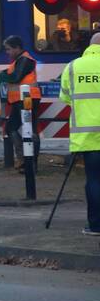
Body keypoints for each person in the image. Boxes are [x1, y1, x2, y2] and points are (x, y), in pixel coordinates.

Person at [58, 33, 100, 237]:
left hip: (87, 136)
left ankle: (95, 225)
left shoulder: (73, 67)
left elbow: (65, 96)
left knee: (94, 181)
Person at [0, 35, 41, 170]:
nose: (7, 53)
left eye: (8, 49)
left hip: (27, 99)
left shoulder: (25, 60)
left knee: (24, 129)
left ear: (17, 48)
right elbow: (10, 73)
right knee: (17, 128)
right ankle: (26, 160)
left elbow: (15, 77)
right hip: (21, 99)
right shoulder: (20, 60)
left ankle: (28, 161)